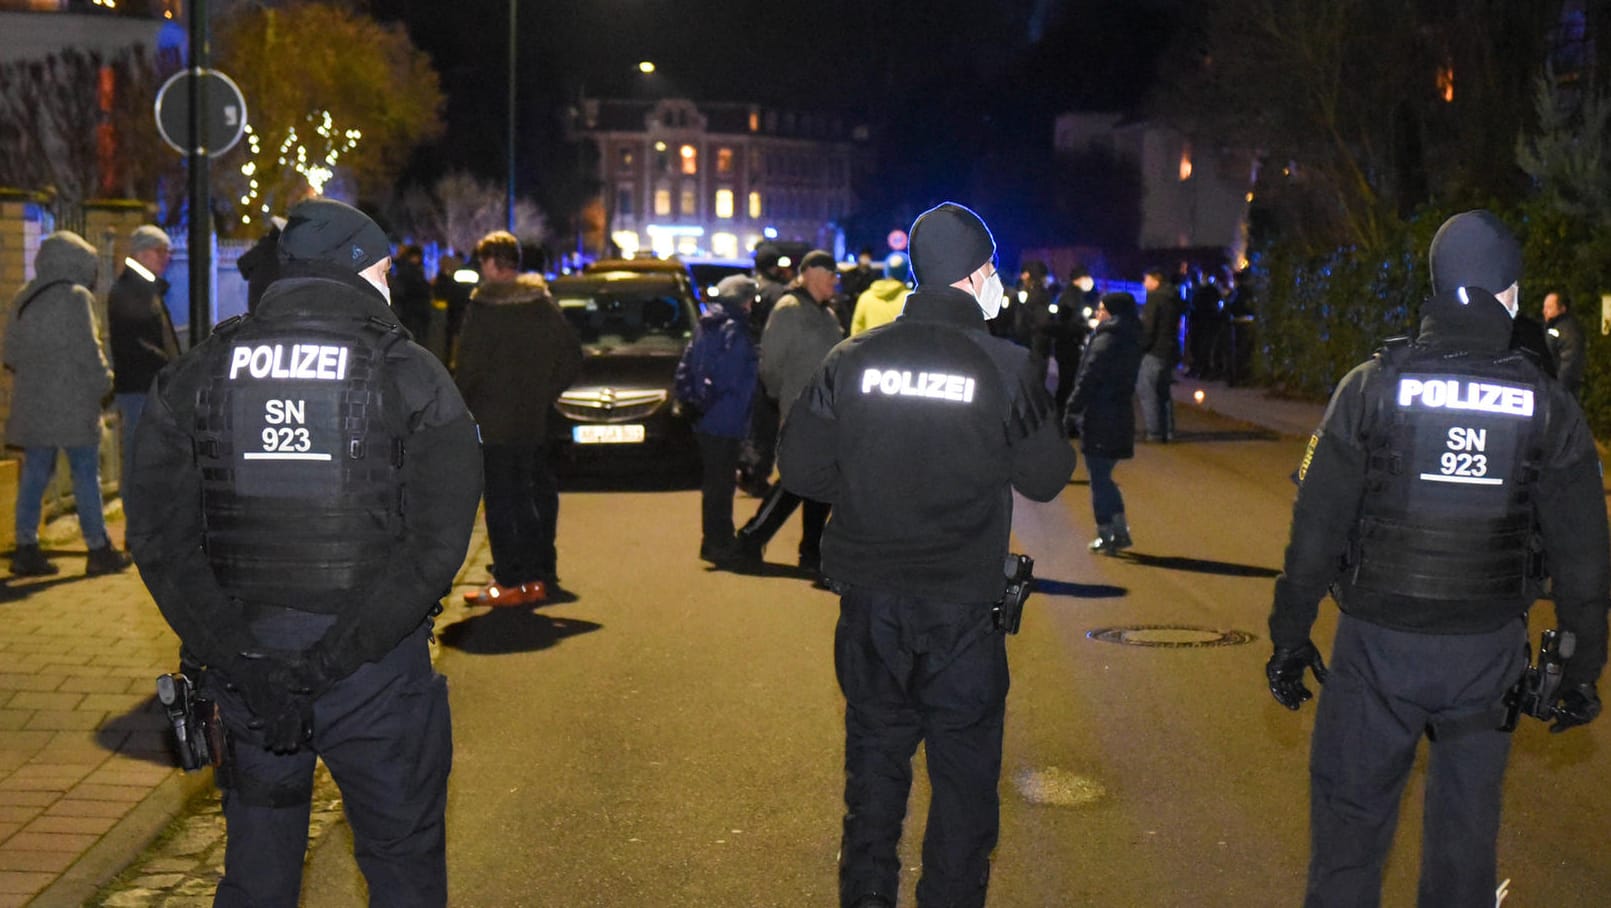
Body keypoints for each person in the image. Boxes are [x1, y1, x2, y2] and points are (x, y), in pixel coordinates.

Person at [125, 198, 483, 907]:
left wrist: (240, 658)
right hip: (375, 670)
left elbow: (160, 541)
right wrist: (332, 660)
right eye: (383, 268)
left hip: (247, 670)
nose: (389, 282)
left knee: (258, 866)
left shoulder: (199, 370)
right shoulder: (410, 372)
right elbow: (437, 541)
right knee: (401, 861)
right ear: (356, 268)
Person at [1265, 209, 1608, 908]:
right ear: (1509, 294)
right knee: (1462, 850)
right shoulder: (1547, 405)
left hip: (1373, 651)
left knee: (1348, 840)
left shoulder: (1367, 387)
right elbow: (1583, 557)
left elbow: (1315, 533)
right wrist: (1580, 667)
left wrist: (1289, 638)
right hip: (1485, 658)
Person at [778, 202, 1076, 908]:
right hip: (962, 616)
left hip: (870, 607)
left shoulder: (852, 357)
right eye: (992, 268)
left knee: (874, 787)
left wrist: (868, 488)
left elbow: (799, 469)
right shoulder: (1005, 367)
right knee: (964, 795)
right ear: (974, 277)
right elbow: (1046, 475)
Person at [454, 230, 583, 606]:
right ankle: (534, 576)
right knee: (530, 496)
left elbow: (469, 368)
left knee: (499, 500)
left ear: (493, 264)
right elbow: (572, 356)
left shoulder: (484, 306)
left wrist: (458, 408)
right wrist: (544, 393)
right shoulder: (541, 304)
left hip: (492, 422)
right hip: (532, 421)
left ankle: (509, 578)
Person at [5, 231, 130, 577]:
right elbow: (91, 352)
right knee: (86, 475)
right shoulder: (77, 298)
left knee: (34, 475)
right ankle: (98, 547)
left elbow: (10, 353)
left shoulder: (24, 297)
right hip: (74, 404)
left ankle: (26, 547)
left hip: (34, 404)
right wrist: (106, 383)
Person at [732, 249, 844, 571]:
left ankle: (811, 552)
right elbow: (771, 366)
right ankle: (752, 538)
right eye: (828, 276)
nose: (833, 282)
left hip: (829, 413)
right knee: (796, 481)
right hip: (802, 411)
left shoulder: (826, 314)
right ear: (809, 274)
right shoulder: (789, 309)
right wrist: (786, 398)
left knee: (819, 484)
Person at [679, 273, 759, 564]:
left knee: (715, 482)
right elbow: (730, 375)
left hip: (707, 417)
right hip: (727, 415)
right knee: (721, 484)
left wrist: (693, 399)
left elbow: (686, 364)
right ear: (743, 300)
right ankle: (719, 542)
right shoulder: (734, 329)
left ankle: (714, 539)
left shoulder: (706, 324)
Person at [1064, 291, 1144, 554]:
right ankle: (1119, 530)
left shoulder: (1107, 339)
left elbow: (1089, 375)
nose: (1098, 313)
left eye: (1101, 309)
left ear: (1111, 313)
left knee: (1099, 478)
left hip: (1101, 414)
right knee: (1104, 475)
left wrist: (1073, 407)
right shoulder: (1130, 336)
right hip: (1119, 412)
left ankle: (1108, 532)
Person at [108, 224, 179, 495]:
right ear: (141, 253)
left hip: (147, 385)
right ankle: (138, 522)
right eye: (160, 251)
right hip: (141, 387)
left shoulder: (143, 288)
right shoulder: (132, 290)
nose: (166, 258)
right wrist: (171, 367)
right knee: (140, 455)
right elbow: (139, 343)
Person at [737, 243, 796, 498]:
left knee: (749, 419)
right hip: (768, 360)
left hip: (744, 360)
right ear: (772, 265)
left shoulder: (745, 289)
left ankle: (746, 462)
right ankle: (757, 472)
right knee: (766, 423)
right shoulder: (778, 292)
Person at [1135, 265, 1182, 442]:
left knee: (1148, 392)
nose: (1144, 282)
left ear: (1155, 280)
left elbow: (1149, 329)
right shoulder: (1173, 298)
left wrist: (1139, 347)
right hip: (1169, 351)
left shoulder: (1154, 299)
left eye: (1146, 279)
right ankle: (1168, 431)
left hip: (1154, 351)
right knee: (1164, 393)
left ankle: (1154, 432)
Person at [1049, 268, 1096, 413]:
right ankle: (1062, 418)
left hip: (1068, 344)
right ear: (1079, 279)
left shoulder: (1073, 295)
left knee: (1067, 383)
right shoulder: (1071, 296)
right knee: (1068, 384)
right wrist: (1087, 326)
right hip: (1069, 345)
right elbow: (1071, 323)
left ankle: (1062, 417)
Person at [848, 252, 912, 336]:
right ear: (907, 273)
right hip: (901, 348)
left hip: (870, 348)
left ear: (886, 271)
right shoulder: (911, 299)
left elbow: (856, 333)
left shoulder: (866, 297)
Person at [236, 217, 285, 315]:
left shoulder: (264, 246)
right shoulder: (287, 251)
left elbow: (243, 263)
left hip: (258, 302)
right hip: (278, 305)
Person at [1542, 289, 1585, 399]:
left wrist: (1558, 388)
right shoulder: (1552, 328)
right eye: (1544, 307)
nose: (1545, 311)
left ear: (1562, 309)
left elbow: (1570, 361)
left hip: (1562, 391)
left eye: (1549, 307)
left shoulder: (1567, 330)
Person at [390, 243, 433, 342]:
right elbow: (416, 290)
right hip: (411, 313)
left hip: (405, 313)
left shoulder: (400, 269)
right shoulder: (410, 271)